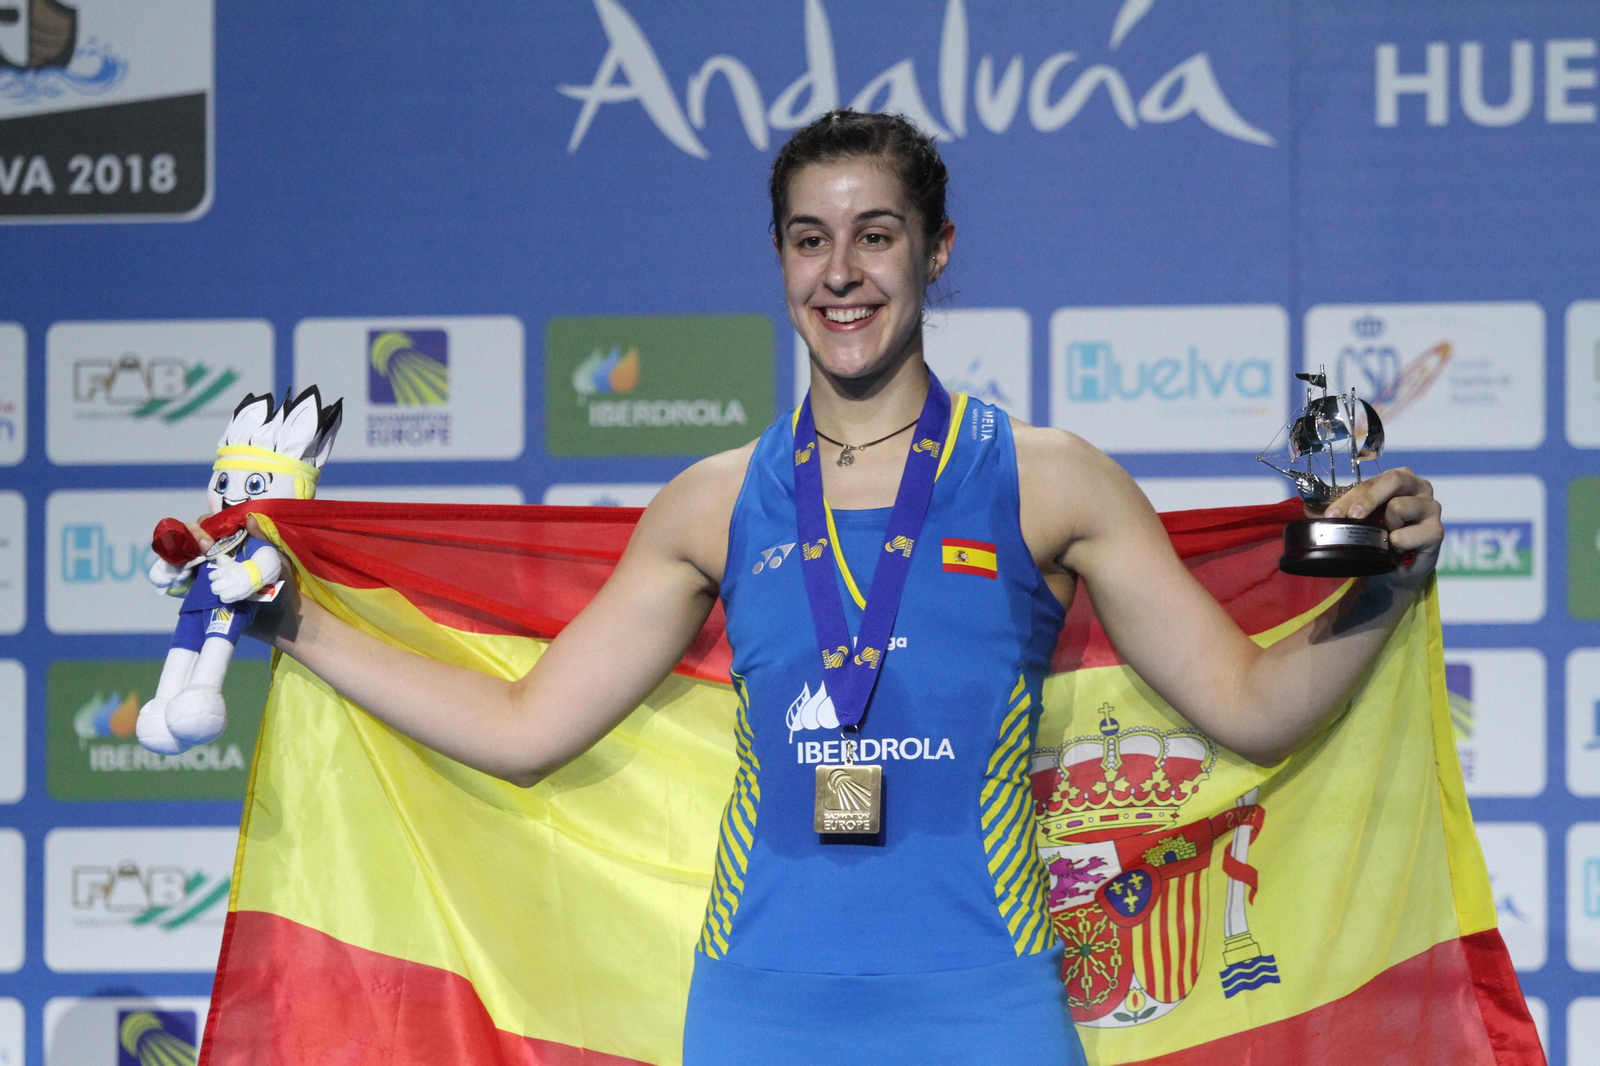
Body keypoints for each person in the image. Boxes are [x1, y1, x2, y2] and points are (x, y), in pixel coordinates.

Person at [204, 110, 1443, 1065]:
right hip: (760, 1013)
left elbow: (1252, 705)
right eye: (809, 238)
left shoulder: (1049, 482)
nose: (840, 272)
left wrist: (1383, 591)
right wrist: (295, 620)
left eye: (875, 234)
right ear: (780, 258)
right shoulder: (711, 503)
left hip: (989, 1010)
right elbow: (524, 731)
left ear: (936, 251)